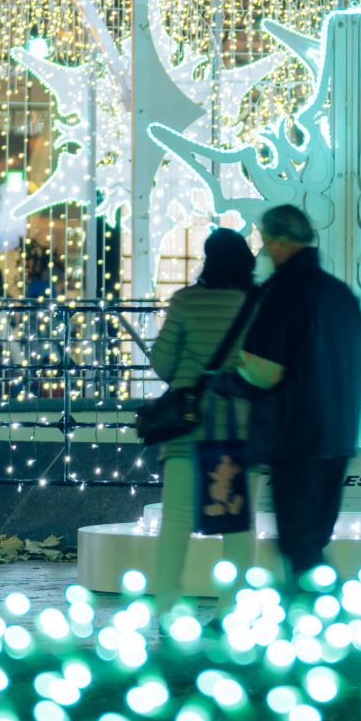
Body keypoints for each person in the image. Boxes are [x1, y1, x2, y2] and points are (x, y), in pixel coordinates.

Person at [230, 205, 361, 587]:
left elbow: (265, 369)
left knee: (298, 540)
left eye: (267, 242)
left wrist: (236, 368)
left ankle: (313, 618)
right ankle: (320, 612)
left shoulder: (283, 292)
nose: (265, 251)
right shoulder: (340, 294)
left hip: (296, 434)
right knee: (316, 535)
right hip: (338, 433)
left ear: (280, 242)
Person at [146, 228, 262, 610]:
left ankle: (166, 606)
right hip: (242, 428)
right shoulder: (259, 303)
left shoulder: (186, 301)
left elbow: (162, 361)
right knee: (240, 527)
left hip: (189, 427)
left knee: (176, 521)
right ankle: (235, 608)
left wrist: (188, 373)